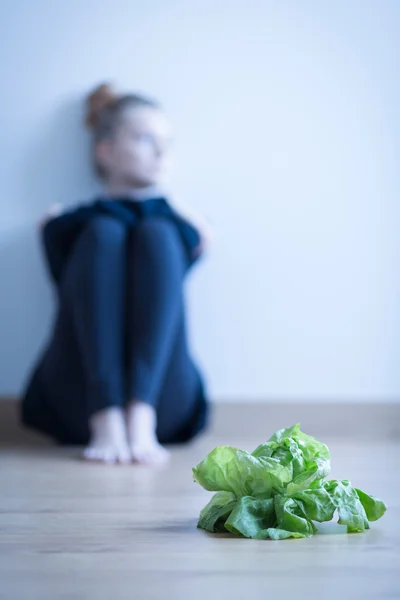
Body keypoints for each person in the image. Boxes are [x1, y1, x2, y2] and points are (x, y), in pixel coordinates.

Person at [21, 83, 210, 466]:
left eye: (167, 142)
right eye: (144, 139)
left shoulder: (177, 228)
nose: (161, 152)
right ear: (105, 150)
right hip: (78, 405)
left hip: (163, 407)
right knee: (104, 233)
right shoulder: (73, 227)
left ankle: (140, 410)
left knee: (157, 233)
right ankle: (105, 411)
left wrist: (188, 228)